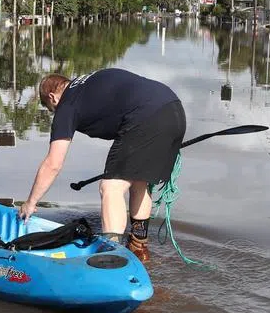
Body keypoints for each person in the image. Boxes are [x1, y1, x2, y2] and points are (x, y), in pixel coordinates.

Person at [17, 69, 186, 263]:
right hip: (173, 108)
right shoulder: (87, 85)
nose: (54, 112)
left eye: (50, 109)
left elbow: (53, 164)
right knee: (139, 181)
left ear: (52, 97)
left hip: (145, 115)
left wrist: (30, 203)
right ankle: (139, 249)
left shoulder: (67, 104)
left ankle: (111, 258)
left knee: (111, 187)